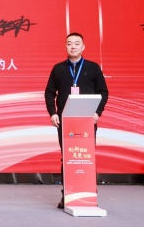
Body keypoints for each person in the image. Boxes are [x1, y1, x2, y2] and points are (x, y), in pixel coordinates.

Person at [44, 32, 108, 209]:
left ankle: (89, 192)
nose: (73, 46)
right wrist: (52, 113)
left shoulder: (93, 68)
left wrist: (97, 112)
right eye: (69, 43)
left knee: (86, 156)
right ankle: (67, 194)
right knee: (68, 157)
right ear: (65, 46)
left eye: (77, 43)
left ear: (83, 47)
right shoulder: (58, 69)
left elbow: (103, 92)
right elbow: (49, 93)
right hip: (65, 121)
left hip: (87, 120)